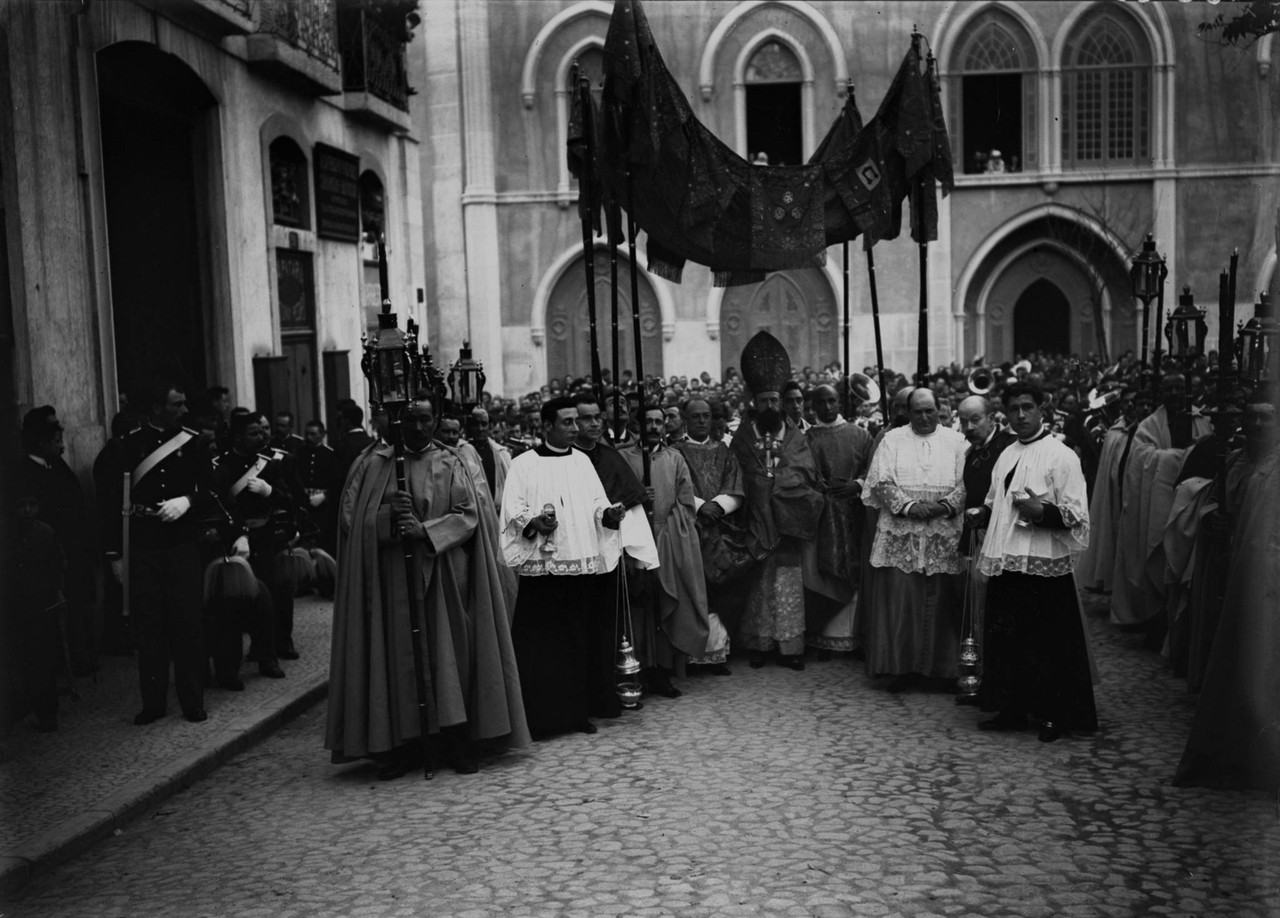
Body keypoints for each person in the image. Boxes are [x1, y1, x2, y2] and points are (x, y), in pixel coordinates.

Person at [327, 398, 529, 779]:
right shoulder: (374, 464)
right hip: (393, 583)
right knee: (398, 660)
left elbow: (469, 514)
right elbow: (353, 520)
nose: (418, 428)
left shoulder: (452, 461)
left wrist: (427, 530)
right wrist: (387, 517)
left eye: (425, 419)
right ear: (398, 421)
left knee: (450, 659)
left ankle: (457, 743)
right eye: (411, 420)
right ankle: (404, 747)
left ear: (435, 420)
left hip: (444, 577)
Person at [966, 382, 1097, 742]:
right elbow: (998, 498)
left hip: (1043, 563)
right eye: (1013, 409)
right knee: (1008, 638)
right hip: (1008, 559)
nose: (1020, 415)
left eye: (1027, 407)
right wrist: (983, 510)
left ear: (1043, 409)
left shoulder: (1062, 455)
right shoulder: (1006, 454)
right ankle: (1012, 709)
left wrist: (1044, 512)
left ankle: (1054, 714)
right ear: (1004, 413)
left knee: (1047, 643)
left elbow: (1078, 514)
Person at [501, 397, 627, 738]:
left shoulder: (583, 462)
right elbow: (512, 509)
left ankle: (576, 714)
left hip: (579, 565)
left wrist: (608, 515)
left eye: (576, 422)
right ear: (546, 427)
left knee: (576, 640)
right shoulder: (523, 464)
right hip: (543, 569)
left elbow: (597, 502)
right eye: (567, 422)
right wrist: (534, 522)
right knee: (542, 643)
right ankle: (541, 719)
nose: (575, 428)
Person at [1174, 402, 1279, 790]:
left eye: (1265, 416)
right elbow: (1216, 503)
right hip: (1237, 578)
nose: (1254, 423)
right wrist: (1212, 517)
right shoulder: (1233, 462)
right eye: (1249, 415)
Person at [103, 381, 213, 725]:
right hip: (144, 546)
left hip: (181, 545)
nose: (184, 410)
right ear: (156, 409)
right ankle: (153, 703)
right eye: (177, 405)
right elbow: (110, 503)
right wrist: (114, 555)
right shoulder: (128, 446)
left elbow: (213, 490)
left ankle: (192, 701)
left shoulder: (195, 444)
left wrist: (188, 501)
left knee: (187, 624)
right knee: (149, 628)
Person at [861, 387, 967, 692]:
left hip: (943, 531)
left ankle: (943, 671)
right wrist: (909, 506)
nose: (924, 417)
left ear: (939, 409)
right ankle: (902, 668)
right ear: (907, 412)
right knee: (903, 600)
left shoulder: (957, 441)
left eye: (929, 410)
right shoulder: (892, 440)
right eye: (917, 411)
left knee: (942, 600)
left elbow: (967, 482)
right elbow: (880, 480)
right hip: (902, 532)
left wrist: (943, 506)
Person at [728, 332, 824, 670]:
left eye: (774, 401)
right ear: (754, 403)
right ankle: (759, 644)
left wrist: (779, 484)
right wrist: (758, 486)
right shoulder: (741, 438)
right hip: (754, 522)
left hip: (786, 523)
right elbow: (733, 475)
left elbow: (806, 473)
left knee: (787, 583)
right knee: (758, 586)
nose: (770, 407)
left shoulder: (795, 437)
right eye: (764, 402)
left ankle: (791, 648)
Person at [570, 394, 654, 718]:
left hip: (607, 556)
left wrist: (638, 552)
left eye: (597, 418)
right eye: (585, 418)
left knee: (609, 627)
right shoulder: (565, 460)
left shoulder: (610, 457)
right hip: (573, 559)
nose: (593, 424)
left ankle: (609, 694)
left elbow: (631, 507)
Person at [619, 406, 711, 697]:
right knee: (639, 607)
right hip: (634, 539)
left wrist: (666, 534)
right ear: (637, 424)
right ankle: (638, 669)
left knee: (663, 606)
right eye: (648, 421)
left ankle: (663, 671)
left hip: (667, 539)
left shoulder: (674, 458)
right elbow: (612, 495)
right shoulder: (623, 457)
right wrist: (635, 499)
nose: (654, 426)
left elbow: (685, 504)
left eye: (659, 421)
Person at [1110, 374, 1211, 634]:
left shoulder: (1201, 420)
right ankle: (1156, 619)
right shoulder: (1148, 426)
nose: (1175, 393)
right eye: (1170, 389)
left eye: (1180, 387)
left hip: (1192, 500)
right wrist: (1180, 456)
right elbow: (1140, 458)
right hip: (1158, 500)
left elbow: (1207, 452)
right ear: (1162, 393)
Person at [210, 411, 291, 684]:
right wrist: (236, 534)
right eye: (253, 434)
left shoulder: (268, 465)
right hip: (233, 541)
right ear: (237, 437)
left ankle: (266, 657)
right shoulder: (221, 465)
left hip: (263, 539)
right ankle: (228, 669)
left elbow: (287, 498)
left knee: (265, 600)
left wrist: (269, 491)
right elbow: (218, 504)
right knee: (230, 604)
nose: (261, 438)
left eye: (261, 432)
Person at [802, 384, 872, 659]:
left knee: (854, 570)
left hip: (854, 512)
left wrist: (858, 484)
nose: (828, 407)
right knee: (824, 572)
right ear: (814, 407)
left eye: (832, 401)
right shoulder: (806, 438)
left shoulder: (861, 435)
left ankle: (852, 638)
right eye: (822, 402)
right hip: (822, 516)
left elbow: (873, 469)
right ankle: (824, 639)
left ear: (839, 403)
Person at [672, 396, 741, 671]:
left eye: (706, 416)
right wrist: (701, 507)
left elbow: (736, 485)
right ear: (686, 420)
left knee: (720, 591)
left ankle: (716, 653)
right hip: (689, 528)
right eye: (696, 416)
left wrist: (719, 507)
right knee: (693, 591)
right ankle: (691, 653)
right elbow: (673, 487)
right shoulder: (675, 452)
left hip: (723, 529)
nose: (702, 420)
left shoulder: (725, 451)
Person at [1, 479, 66, 733]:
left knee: (43, 661)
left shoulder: (46, 533)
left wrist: (57, 593)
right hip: (10, 607)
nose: (27, 510)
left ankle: (46, 713)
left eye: (33, 505)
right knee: (12, 662)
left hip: (41, 606)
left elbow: (57, 565)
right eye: (22, 505)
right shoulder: (4, 533)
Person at [294, 419, 337, 554]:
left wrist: (325, 496)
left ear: (322, 435)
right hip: (303, 505)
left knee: (322, 541)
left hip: (322, 506)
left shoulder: (330, 454)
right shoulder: (299, 453)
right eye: (307, 434)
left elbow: (335, 482)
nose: (308, 438)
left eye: (313, 434)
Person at [464, 407, 511, 505]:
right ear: (470, 426)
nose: (480, 429)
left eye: (484, 424)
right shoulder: (464, 452)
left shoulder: (501, 453)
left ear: (489, 426)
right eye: (476, 424)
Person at [333, 400, 374, 497]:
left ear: (347, 421)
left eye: (342, 419)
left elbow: (337, 478)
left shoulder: (341, 445)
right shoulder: (371, 441)